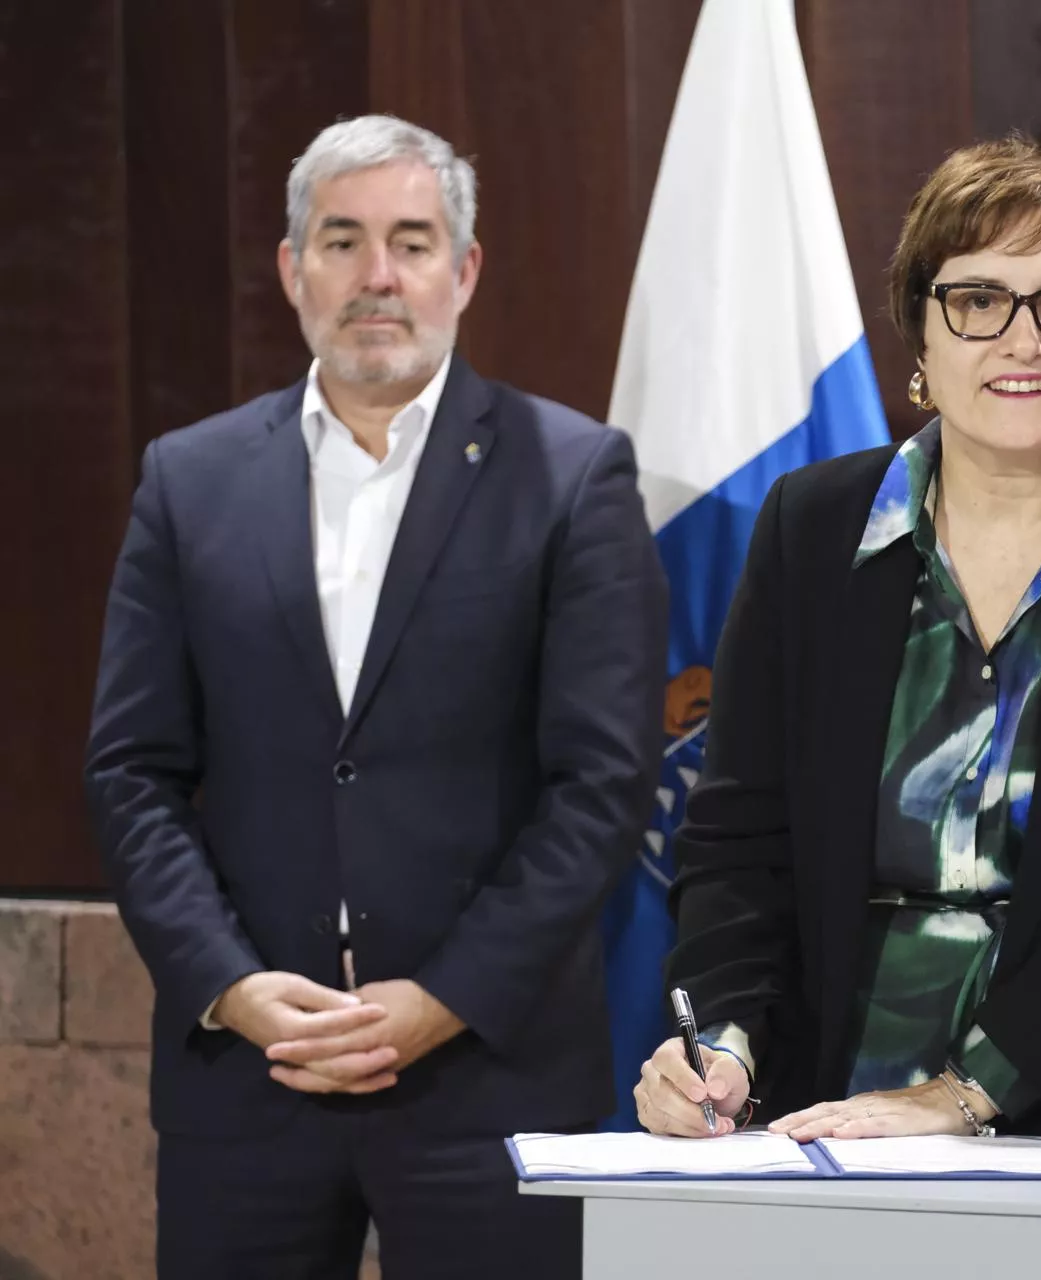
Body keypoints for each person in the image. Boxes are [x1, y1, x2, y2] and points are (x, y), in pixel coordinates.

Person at [83, 114, 667, 1279]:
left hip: (489, 1079)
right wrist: (234, 988)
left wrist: (443, 997)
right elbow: (131, 772)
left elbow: (601, 789)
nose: (378, 276)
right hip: (246, 1081)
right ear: (294, 268)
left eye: (411, 239)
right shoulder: (187, 481)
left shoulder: (572, 476)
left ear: (465, 269)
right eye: (342, 241)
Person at [631, 136, 1041, 1144]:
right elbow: (740, 838)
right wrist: (720, 1041)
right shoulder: (810, 526)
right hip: (830, 1115)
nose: (1022, 339)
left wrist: (964, 1092)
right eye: (978, 300)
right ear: (921, 336)